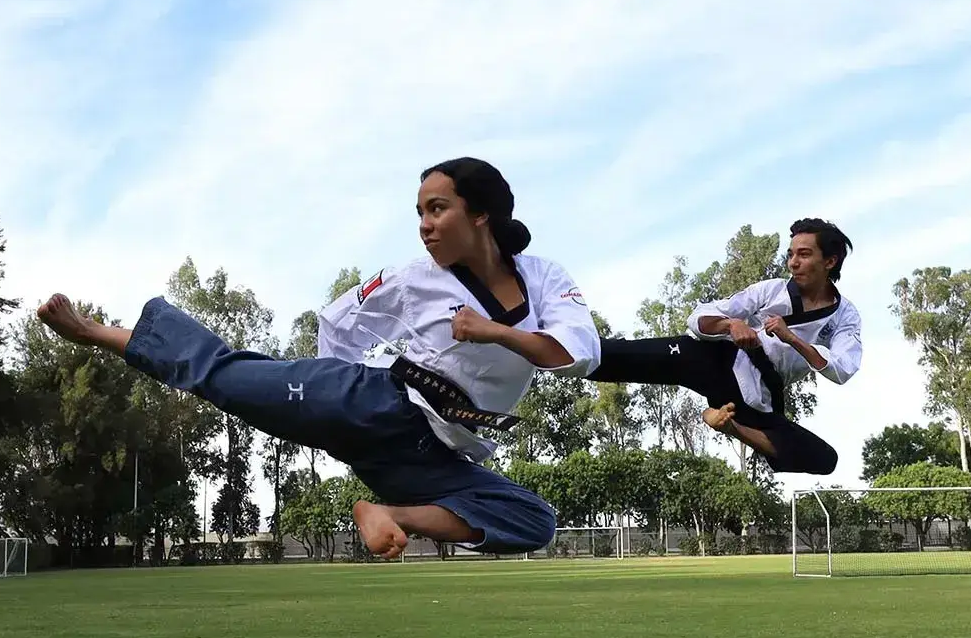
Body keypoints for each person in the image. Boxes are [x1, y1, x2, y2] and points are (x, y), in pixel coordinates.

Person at [34, 157, 600, 559]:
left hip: (431, 456)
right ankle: (96, 331)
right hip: (372, 402)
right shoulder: (413, 277)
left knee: (534, 520)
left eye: (438, 209)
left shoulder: (544, 279)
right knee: (225, 378)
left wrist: (492, 332)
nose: (424, 225)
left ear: (480, 214)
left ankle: (389, 513)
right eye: (420, 212)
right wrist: (335, 390)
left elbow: (574, 354)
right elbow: (337, 319)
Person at [586, 218, 860, 475]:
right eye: (790, 255)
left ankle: (729, 426)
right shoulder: (771, 290)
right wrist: (730, 325)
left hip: (755, 397)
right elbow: (699, 317)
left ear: (830, 261)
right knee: (625, 355)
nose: (793, 263)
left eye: (804, 254)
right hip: (720, 359)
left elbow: (842, 369)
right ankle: (562, 349)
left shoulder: (844, 316)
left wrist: (792, 339)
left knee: (824, 459)